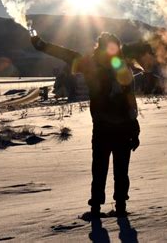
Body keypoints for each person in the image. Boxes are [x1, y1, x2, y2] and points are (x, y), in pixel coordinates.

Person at [31, 31, 141, 217]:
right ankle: (114, 208)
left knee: (102, 170)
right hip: (113, 128)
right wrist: (41, 45)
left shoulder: (102, 65)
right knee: (114, 170)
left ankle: (102, 208)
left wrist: (41, 45)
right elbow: (131, 102)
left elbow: (130, 100)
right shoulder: (111, 65)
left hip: (109, 128)